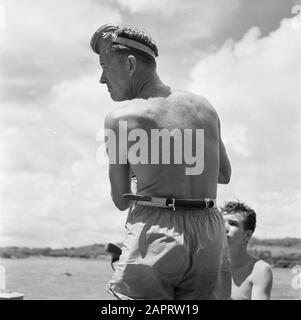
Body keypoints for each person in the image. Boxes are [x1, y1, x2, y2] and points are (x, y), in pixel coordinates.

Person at [90, 24, 231, 299]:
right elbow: (223, 173)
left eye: (105, 67)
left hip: (157, 233)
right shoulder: (204, 108)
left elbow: (120, 200)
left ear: (130, 64)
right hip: (211, 234)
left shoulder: (120, 118)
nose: (101, 79)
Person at [221, 201, 273, 300]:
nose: (224, 227)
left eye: (233, 223)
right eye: (220, 222)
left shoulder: (260, 270)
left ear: (247, 235)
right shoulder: (208, 266)